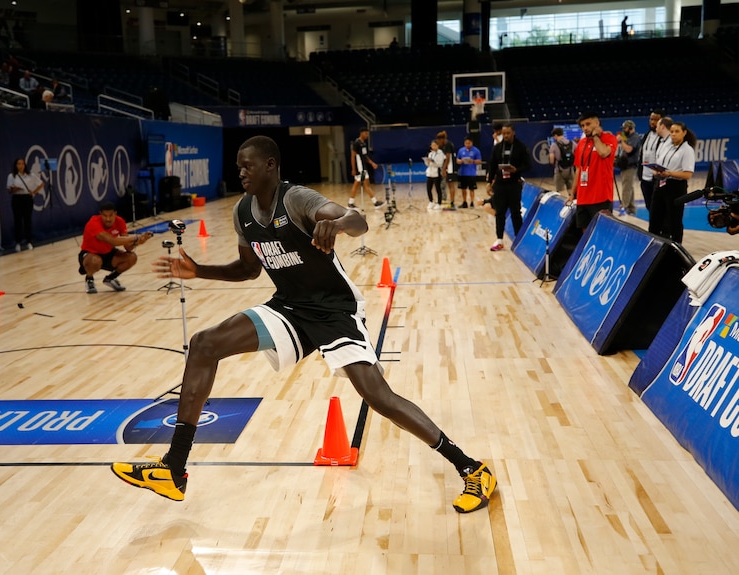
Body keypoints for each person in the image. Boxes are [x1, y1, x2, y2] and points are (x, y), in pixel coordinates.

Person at [110, 135, 497, 513]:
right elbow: (247, 271)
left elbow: (358, 220)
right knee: (204, 343)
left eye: (248, 165)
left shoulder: (295, 199)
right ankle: (173, 469)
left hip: (334, 311)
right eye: (238, 166)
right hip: (290, 308)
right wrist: (200, 271)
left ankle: (471, 467)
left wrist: (339, 223)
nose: (241, 172)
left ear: (270, 166)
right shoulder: (242, 211)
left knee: (377, 396)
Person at [78, 201, 153, 293]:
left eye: (110, 215)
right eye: (105, 216)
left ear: (115, 214)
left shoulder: (120, 221)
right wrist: (135, 237)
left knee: (132, 257)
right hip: (90, 254)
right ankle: (89, 279)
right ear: (100, 214)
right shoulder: (93, 223)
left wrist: (138, 242)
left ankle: (110, 279)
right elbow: (112, 241)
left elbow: (128, 247)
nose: (108, 219)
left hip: (108, 253)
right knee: (95, 261)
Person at [648, 120, 695, 243]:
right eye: (672, 131)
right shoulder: (667, 146)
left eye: (677, 131)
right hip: (661, 183)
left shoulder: (687, 150)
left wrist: (669, 173)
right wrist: (656, 170)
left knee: (674, 220)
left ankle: (677, 247)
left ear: (684, 133)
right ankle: (652, 244)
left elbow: (688, 174)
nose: (673, 134)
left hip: (676, 187)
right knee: (655, 218)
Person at [571, 110, 618, 231]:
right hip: (583, 197)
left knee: (602, 232)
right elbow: (578, 169)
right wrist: (572, 193)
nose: (585, 128)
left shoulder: (609, 138)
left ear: (597, 123)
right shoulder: (581, 143)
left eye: (588, 124)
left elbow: (603, 152)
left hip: (601, 196)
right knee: (585, 232)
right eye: (582, 126)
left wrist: (596, 136)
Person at [486, 123, 531, 251]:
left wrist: (516, 169)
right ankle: (499, 239)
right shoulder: (497, 148)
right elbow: (493, 165)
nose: (505, 135)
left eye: (508, 133)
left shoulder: (521, 147)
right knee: (499, 212)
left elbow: (528, 166)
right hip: (500, 185)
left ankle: (518, 239)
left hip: (514, 184)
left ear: (513, 133)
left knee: (516, 212)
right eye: (503, 133)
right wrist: (489, 182)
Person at [6, 158, 43, 252]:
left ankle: (29, 241)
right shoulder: (12, 176)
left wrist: (34, 192)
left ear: (25, 165)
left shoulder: (30, 175)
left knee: (27, 220)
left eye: (22, 164)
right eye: (18, 164)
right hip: (17, 199)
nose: (21, 166)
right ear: (16, 165)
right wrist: (15, 189)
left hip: (27, 198)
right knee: (17, 221)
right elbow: (9, 190)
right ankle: (18, 243)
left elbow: (41, 183)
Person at [348, 128, 385, 209]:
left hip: (363, 167)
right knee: (365, 184)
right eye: (366, 133)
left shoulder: (363, 144)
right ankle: (375, 202)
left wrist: (372, 163)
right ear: (361, 133)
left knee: (361, 184)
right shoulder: (356, 143)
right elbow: (352, 157)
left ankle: (351, 203)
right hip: (359, 168)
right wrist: (354, 169)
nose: (367, 135)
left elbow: (365, 156)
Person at [638, 109, 666, 212]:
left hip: (656, 179)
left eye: (656, 120)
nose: (652, 122)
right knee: (649, 207)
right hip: (645, 179)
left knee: (659, 208)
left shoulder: (664, 138)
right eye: (651, 119)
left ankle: (663, 227)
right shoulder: (646, 135)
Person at [615, 120, 641, 215]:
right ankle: (631, 207)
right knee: (629, 187)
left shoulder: (635, 137)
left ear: (630, 128)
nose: (623, 130)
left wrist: (622, 140)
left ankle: (624, 207)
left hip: (630, 166)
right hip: (624, 166)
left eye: (625, 128)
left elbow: (629, 149)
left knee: (626, 187)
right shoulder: (627, 137)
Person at [456, 136, 482, 208]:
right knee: (463, 188)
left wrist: (472, 161)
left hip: (471, 173)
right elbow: (457, 160)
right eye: (466, 143)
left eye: (469, 143)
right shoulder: (461, 150)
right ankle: (464, 202)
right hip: (462, 172)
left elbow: (479, 161)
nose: (467, 144)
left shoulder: (476, 150)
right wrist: (460, 161)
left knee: (471, 189)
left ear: (472, 143)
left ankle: (472, 202)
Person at [548, 127, 575, 195]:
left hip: (559, 171)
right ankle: (572, 204)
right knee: (571, 191)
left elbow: (551, 160)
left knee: (560, 192)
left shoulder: (554, 145)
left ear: (555, 135)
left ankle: (563, 205)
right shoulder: (572, 143)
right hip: (570, 170)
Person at [436, 131, 456, 209]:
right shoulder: (444, 145)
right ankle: (451, 202)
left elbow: (448, 158)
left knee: (451, 185)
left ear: (443, 139)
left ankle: (452, 203)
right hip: (448, 167)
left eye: (439, 140)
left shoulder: (448, 145)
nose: (438, 142)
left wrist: (444, 169)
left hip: (450, 167)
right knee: (449, 184)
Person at [425, 139, 445, 210]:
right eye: (432, 145)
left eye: (434, 145)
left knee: (438, 189)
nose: (433, 147)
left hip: (437, 173)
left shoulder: (440, 153)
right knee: (428, 188)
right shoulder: (430, 153)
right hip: (430, 173)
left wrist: (433, 161)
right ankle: (431, 201)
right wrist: (427, 161)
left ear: (437, 146)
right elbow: (427, 164)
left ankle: (439, 203)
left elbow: (439, 164)